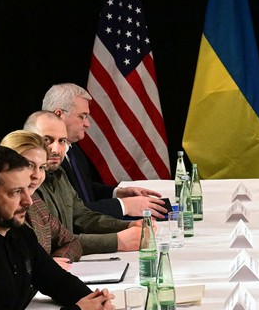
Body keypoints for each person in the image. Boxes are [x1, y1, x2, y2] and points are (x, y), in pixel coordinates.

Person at [0, 145, 114, 310]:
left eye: (27, 188)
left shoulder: (19, 231)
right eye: (16, 192)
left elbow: (55, 280)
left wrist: (95, 302)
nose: (28, 201)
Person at [41, 83, 168, 219]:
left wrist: (118, 193)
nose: (87, 124)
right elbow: (71, 213)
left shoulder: (73, 150)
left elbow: (84, 192)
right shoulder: (44, 157)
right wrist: (124, 206)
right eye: (82, 116)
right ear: (59, 114)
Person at [23, 111, 142, 254]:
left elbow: (81, 217)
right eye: (47, 140)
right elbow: (52, 245)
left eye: (62, 141)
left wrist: (128, 225)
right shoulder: (25, 186)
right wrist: (117, 241)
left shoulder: (60, 173)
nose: (56, 149)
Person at [0, 130, 83, 269]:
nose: (37, 176)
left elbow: (72, 242)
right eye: (29, 165)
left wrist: (57, 261)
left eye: (42, 167)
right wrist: (45, 266)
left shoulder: (37, 204)